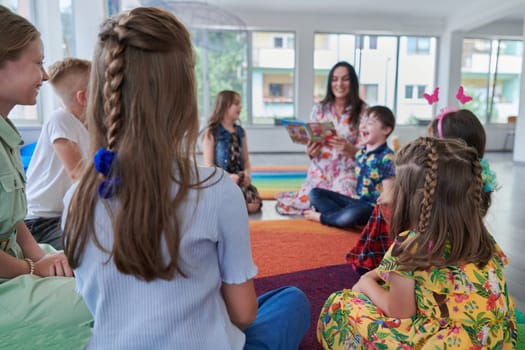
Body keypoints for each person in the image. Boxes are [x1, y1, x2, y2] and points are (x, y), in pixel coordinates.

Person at [62, 7, 310, 349]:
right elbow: (243, 315)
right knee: (291, 300)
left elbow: (97, 304)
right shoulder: (217, 189)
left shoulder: (75, 199)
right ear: (182, 99)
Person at [317, 137, 517, 349]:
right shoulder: (481, 237)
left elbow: (399, 312)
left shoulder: (409, 246)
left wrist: (366, 282)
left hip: (441, 344)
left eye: (396, 184)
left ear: (411, 198)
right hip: (494, 341)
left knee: (339, 306)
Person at [0, 4, 91, 344]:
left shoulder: (5, 134)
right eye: (37, 62)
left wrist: (40, 257)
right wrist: (34, 269)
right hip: (8, 281)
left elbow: (11, 219)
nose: (46, 75)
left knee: (98, 273)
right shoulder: (59, 122)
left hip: (17, 259)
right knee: (111, 296)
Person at [346, 107, 499, 275]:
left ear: (450, 148)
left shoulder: (416, 246)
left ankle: (368, 261)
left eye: (434, 140)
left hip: (426, 258)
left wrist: (367, 282)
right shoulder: (475, 177)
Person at [276, 61, 366, 216]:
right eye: (335, 79)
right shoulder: (319, 109)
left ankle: (322, 213)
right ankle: (325, 212)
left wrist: (349, 149)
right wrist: (310, 151)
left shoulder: (364, 111)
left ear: (353, 82)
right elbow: (312, 145)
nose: (339, 84)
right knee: (308, 198)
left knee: (344, 199)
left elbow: (368, 154)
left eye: (345, 79)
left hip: (346, 171)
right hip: (320, 170)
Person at [24, 57, 90, 249]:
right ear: (83, 98)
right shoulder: (60, 119)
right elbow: (78, 174)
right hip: (39, 222)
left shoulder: (88, 127)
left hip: (64, 216)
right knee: (87, 248)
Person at [304, 105, 395, 228]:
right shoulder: (361, 154)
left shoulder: (387, 158)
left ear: (386, 130)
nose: (362, 126)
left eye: (369, 123)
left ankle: (324, 217)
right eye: (362, 122)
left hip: (372, 209)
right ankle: (340, 218)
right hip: (356, 201)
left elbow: (389, 195)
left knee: (353, 214)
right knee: (315, 193)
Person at [202, 90, 262, 214]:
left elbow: (246, 161)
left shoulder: (240, 132)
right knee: (223, 206)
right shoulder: (212, 132)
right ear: (224, 106)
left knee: (253, 205)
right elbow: (209, 166)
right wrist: (227, 177)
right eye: (236, 103)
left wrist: (247, 174)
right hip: (220, 180)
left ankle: (234, 203)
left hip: (239, 180)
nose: (240, 107)